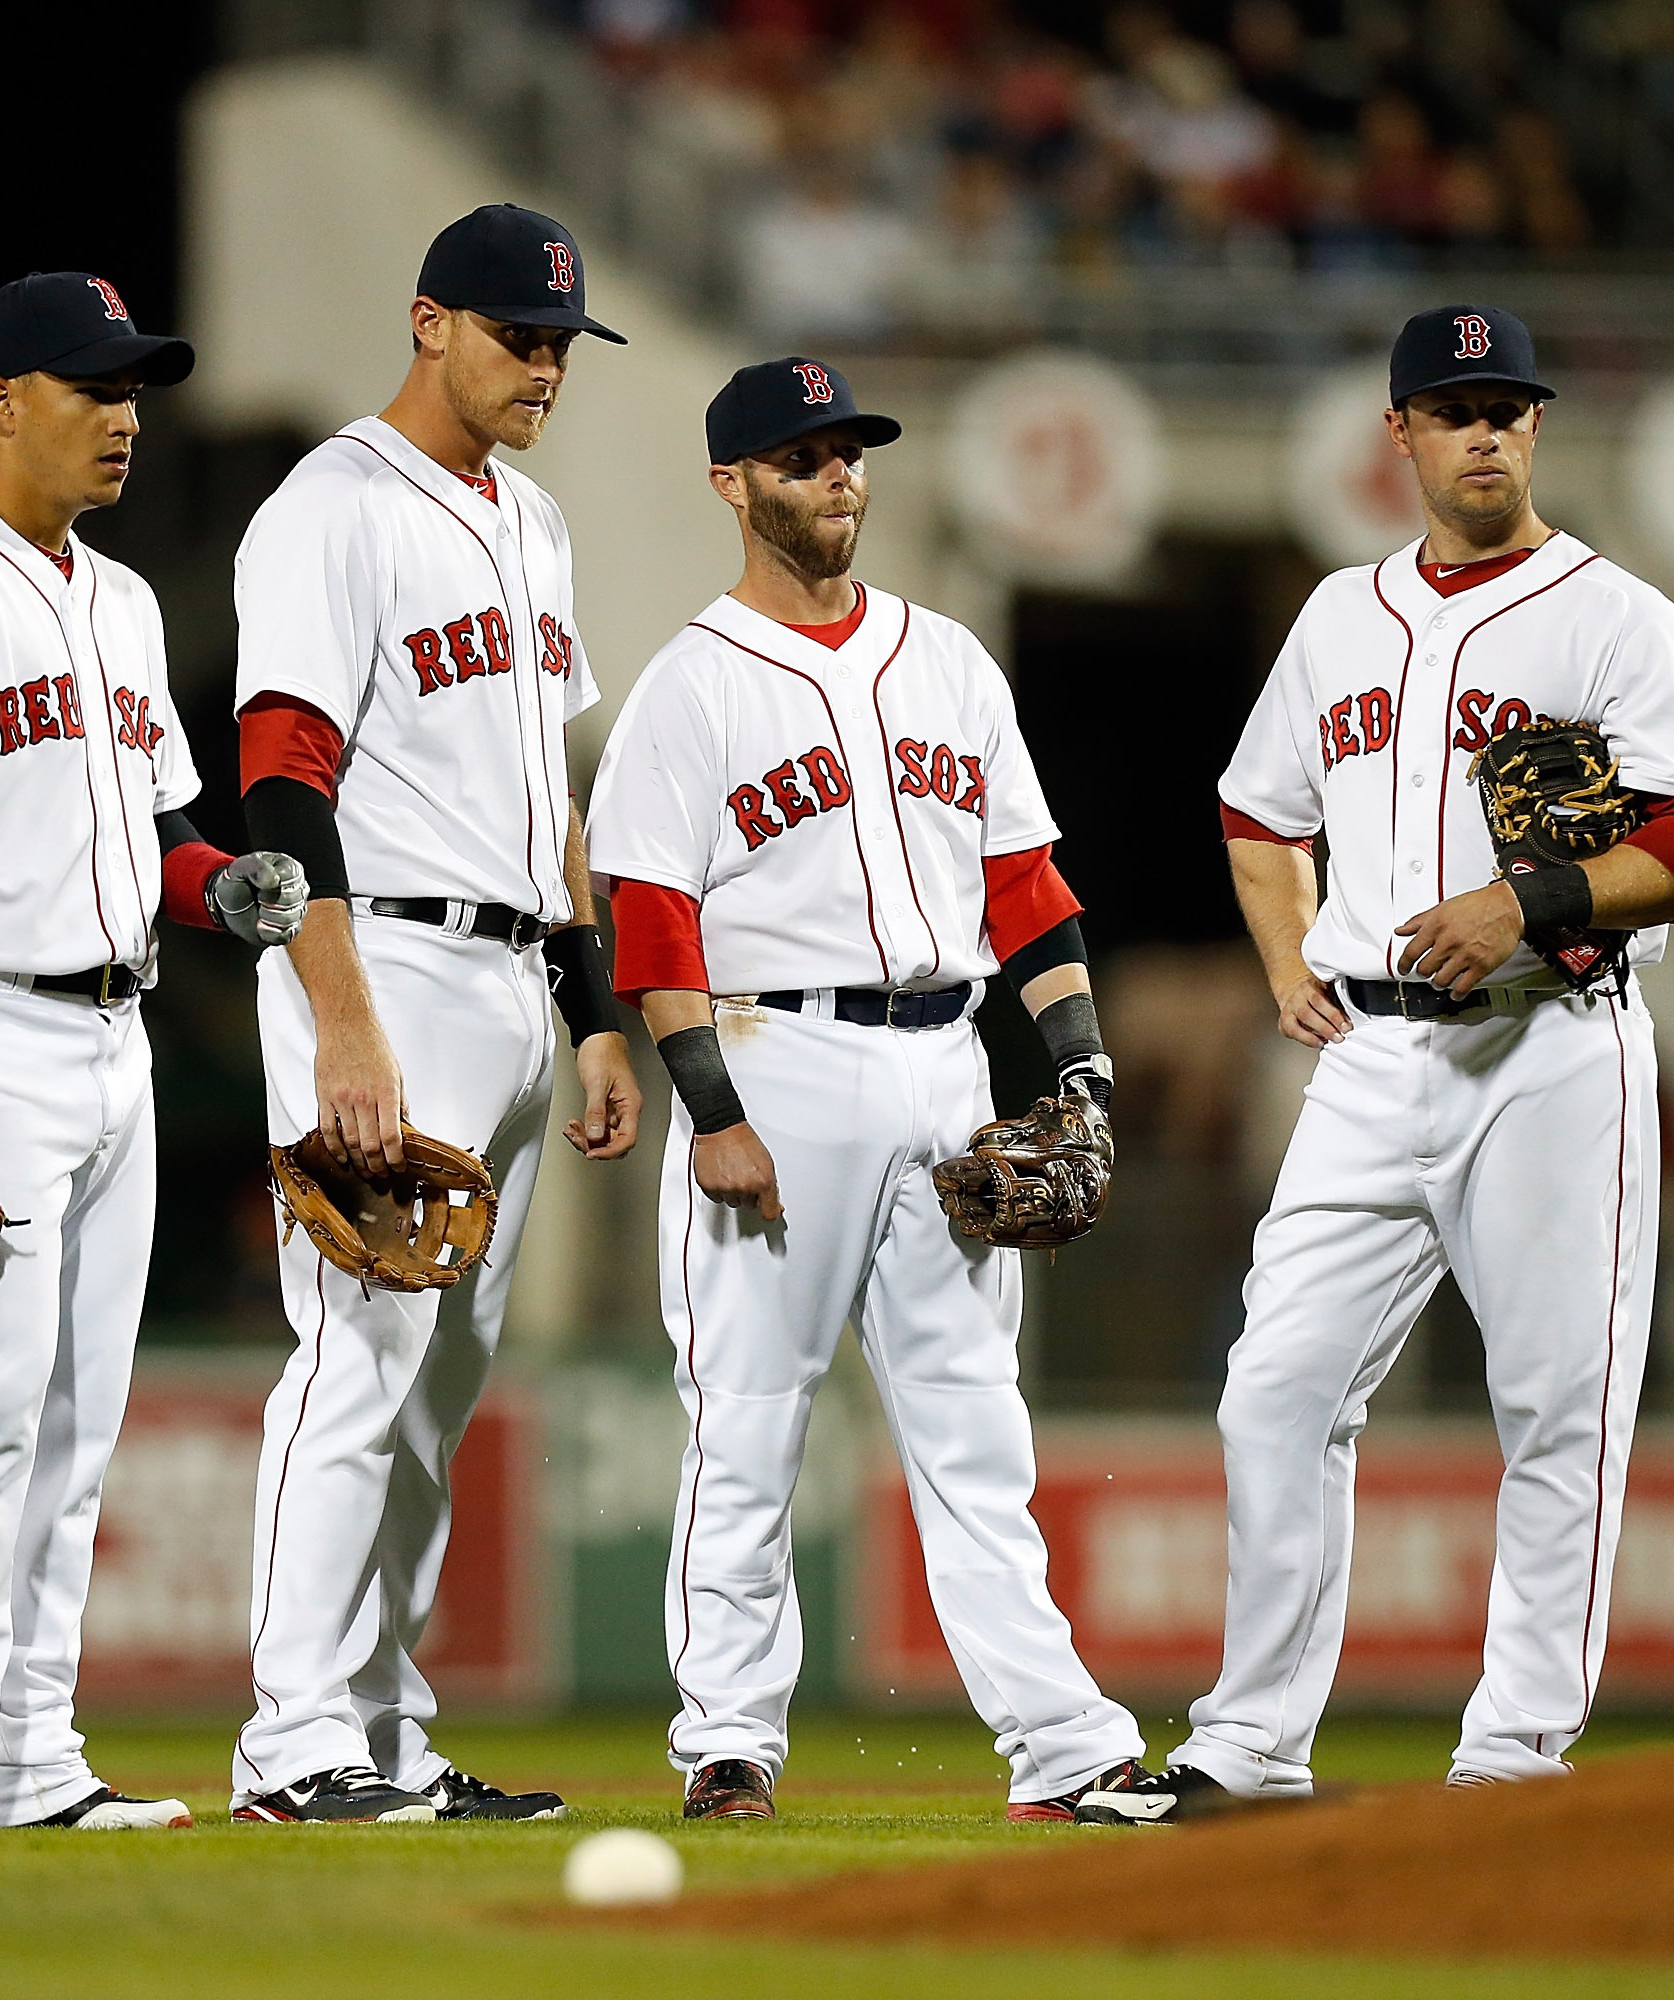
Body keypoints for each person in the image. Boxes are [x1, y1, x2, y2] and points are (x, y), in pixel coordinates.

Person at [1075, 304, 1674, 1823]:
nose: (1487, 429)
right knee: (1274, 1390)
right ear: (1402, 434)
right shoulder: (1338, 617)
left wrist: (1532, 899)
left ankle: (1514, 1754)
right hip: (1373, 1058)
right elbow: (1260, 812)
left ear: (1537, 427)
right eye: (1455, 409)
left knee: (1556, 1410)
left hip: (1555, 1049)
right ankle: (1250, 1747)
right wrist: (1284, 967)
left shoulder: (1615, 616)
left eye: (1509, 404)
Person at [587, 357, 1149, 1823]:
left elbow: (1028, 892)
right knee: (750, 1419)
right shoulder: (692, 683)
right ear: (734, 484)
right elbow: (647, 923)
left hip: (950, 1060)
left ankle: (1067, 1751)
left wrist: (1080, 1069)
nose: (837, 478)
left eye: (847, 452)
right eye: (802, 458)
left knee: (977, 1430)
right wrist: (712, 1113)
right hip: (779, 1061)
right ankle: (727, 1745)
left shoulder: (950, 659)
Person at [0, 273, 307, 1833]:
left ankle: (29, 1758)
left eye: (137, 385)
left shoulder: (123, 599)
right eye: (93, 385)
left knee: (80, 1422)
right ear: (2, 397)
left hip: (118, 1039)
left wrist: (221, 887)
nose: (125, 415)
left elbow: (154, 834)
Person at [227, 206, 645, 1824]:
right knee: (357, 1358)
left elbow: (558, 803)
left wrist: (593, 1006)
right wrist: (338, 1018)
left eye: (559, 344)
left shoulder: (531, 522)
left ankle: (385, 1732)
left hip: (516, 983)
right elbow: (281, 787)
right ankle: (294, 1741)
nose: (544, 366)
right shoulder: (329, 509)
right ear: (427, 322)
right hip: (381, 967)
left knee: (438, 1386)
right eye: (515, 336)